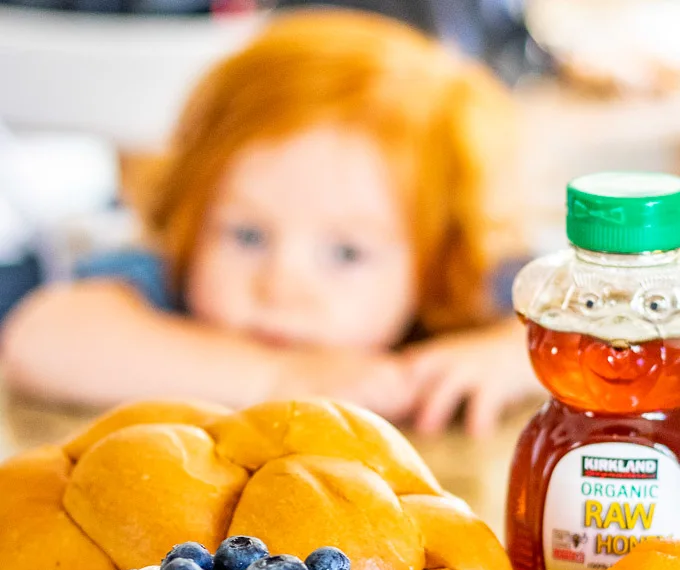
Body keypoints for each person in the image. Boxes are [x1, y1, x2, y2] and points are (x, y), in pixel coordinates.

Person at [1, 9, 543, 436]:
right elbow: (39, 340)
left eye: (346, 254)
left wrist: (506, 356)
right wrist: (276, 378)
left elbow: (594, 320)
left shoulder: (458, 284)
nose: (280, 286)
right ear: (192, 216)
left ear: (435, 260)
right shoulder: (169, 279)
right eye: (247, 236)